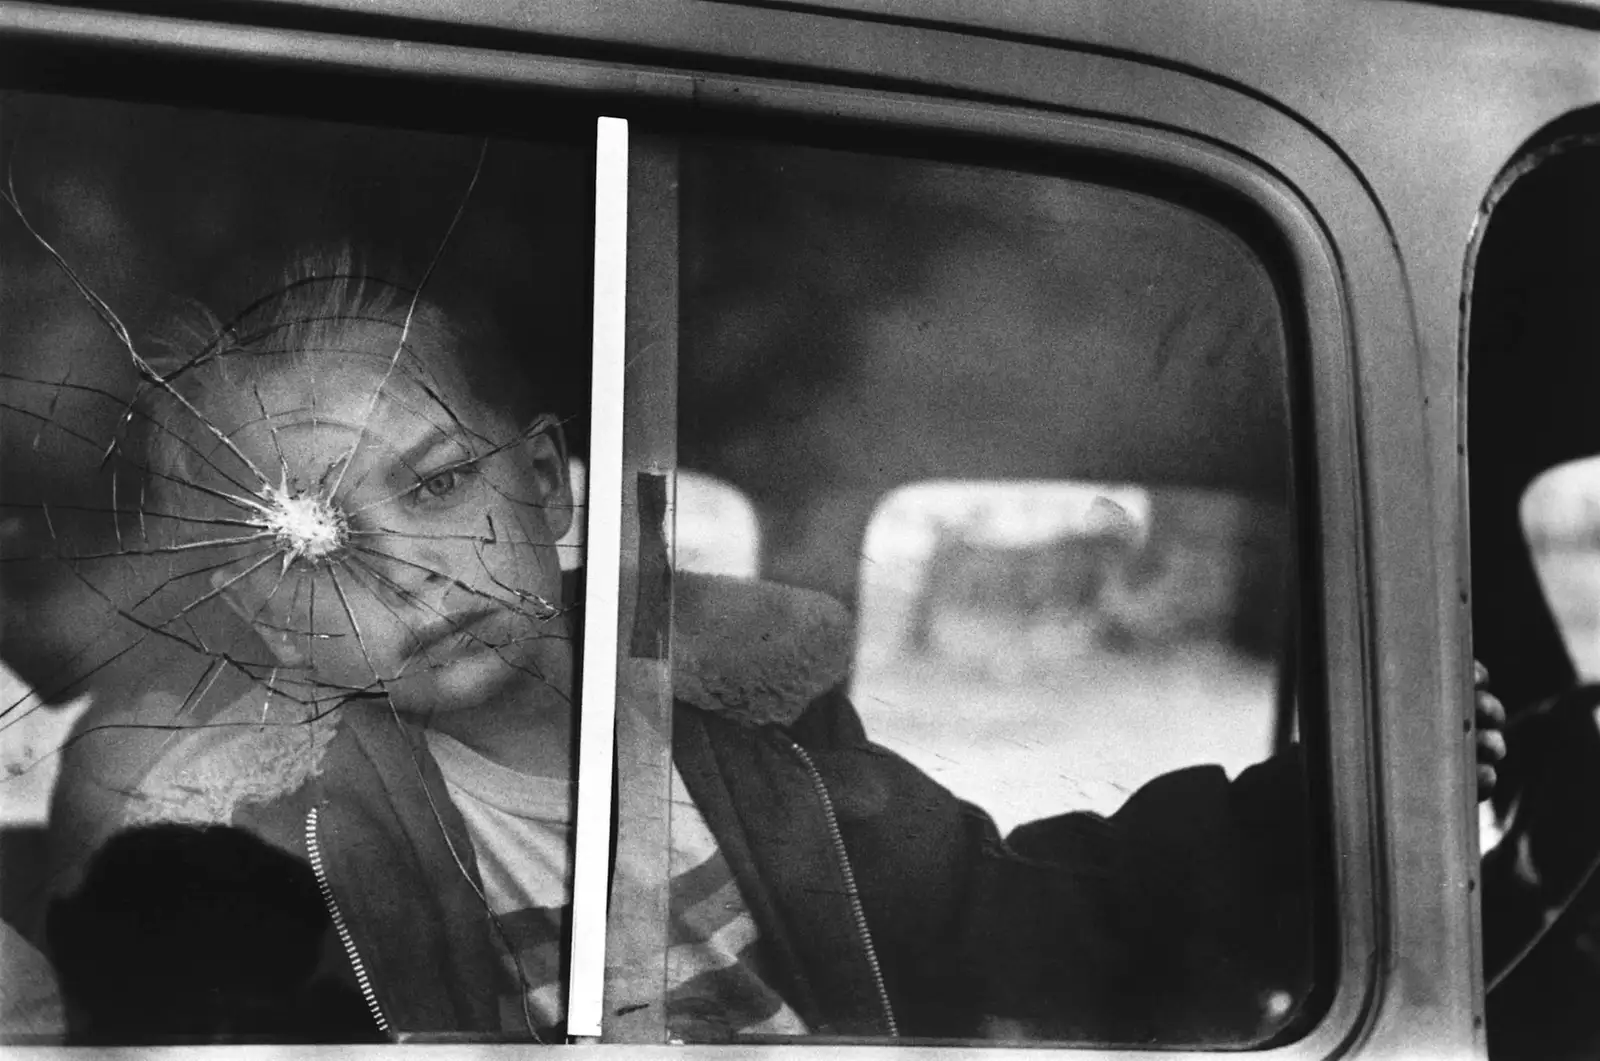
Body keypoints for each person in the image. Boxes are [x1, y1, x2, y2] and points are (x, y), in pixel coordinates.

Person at [42, 251, 1509, 1045]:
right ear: (266, 616)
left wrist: (1318, 824)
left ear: (545, 484)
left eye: (434, 486)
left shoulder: (773, 757)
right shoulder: (281, 850)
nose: (413, 571)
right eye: (313, 543)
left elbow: (1049, 923)